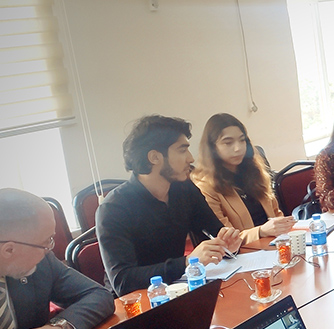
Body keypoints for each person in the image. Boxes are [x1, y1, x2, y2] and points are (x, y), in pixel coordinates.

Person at [97, 115, 243, 297]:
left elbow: (215, 232)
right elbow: (123, 281)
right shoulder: (114, 208)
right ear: (154, 157)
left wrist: (228, 245)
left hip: (178, 289)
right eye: (182, 150)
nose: (190, 158)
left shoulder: (184, 189)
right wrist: (187, 263)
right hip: (136, 302)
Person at [0, 189, 114, 329]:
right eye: (46, 242)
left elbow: (99, 295)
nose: (49, 249)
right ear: (9, 250)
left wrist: (56, 327)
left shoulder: (42, 262)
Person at [191, 113, 294, 244]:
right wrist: (260, 231)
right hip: (244, 251)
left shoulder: (255, 172)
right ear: (212, 148)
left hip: (274, 244)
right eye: (228, 143)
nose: (238, 148)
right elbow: (224, 238)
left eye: (242, 140)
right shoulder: (205, 187)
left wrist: (283, 226)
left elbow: (276, 213)